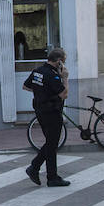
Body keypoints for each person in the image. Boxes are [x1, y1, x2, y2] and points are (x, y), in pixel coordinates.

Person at [24, 47, 70, 187]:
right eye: (64, 61)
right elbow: (64, 94)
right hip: (52, 112)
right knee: (52, 143)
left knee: (51, 143)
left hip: (40, 110)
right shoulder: (53, 75)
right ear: (59, 62)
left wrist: (40, 92)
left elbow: (25, 86)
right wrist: (65, 78)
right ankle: (35, 167)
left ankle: (51, 176)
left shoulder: (37, 71)